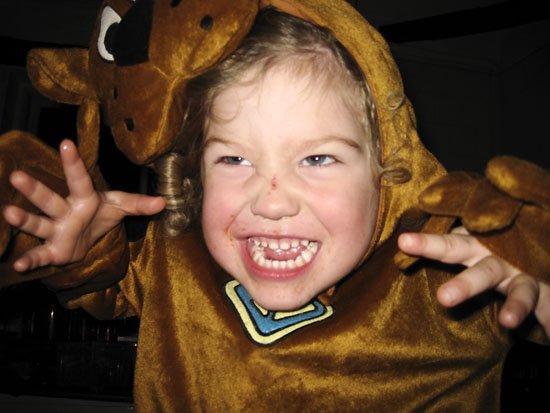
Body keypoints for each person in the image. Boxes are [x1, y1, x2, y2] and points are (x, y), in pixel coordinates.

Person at [2, 5, 549, 412]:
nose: (271, 200)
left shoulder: (450, 284)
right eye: (234, 158)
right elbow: (104, 289)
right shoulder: (173, 263)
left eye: (317, 158)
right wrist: (84, 254)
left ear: (388, 174)